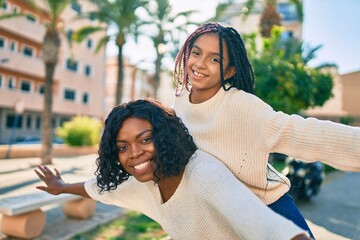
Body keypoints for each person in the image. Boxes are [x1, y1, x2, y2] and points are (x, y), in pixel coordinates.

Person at [173, 22, 360, 239]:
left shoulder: (244, 107)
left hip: (269, 208)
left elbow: (304, 133)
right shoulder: (180, 100)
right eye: (196, 53)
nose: (201, 63)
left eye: (215, 59)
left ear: (230, 71)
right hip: (222, 215)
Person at [35, 99, 311, 240]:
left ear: (165, 136)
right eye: (122, 147)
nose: (134, 154)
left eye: (145, 139)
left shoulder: (203, 173)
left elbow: (265, 226)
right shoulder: (141, 184)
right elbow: (98, 189)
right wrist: (60, 188)